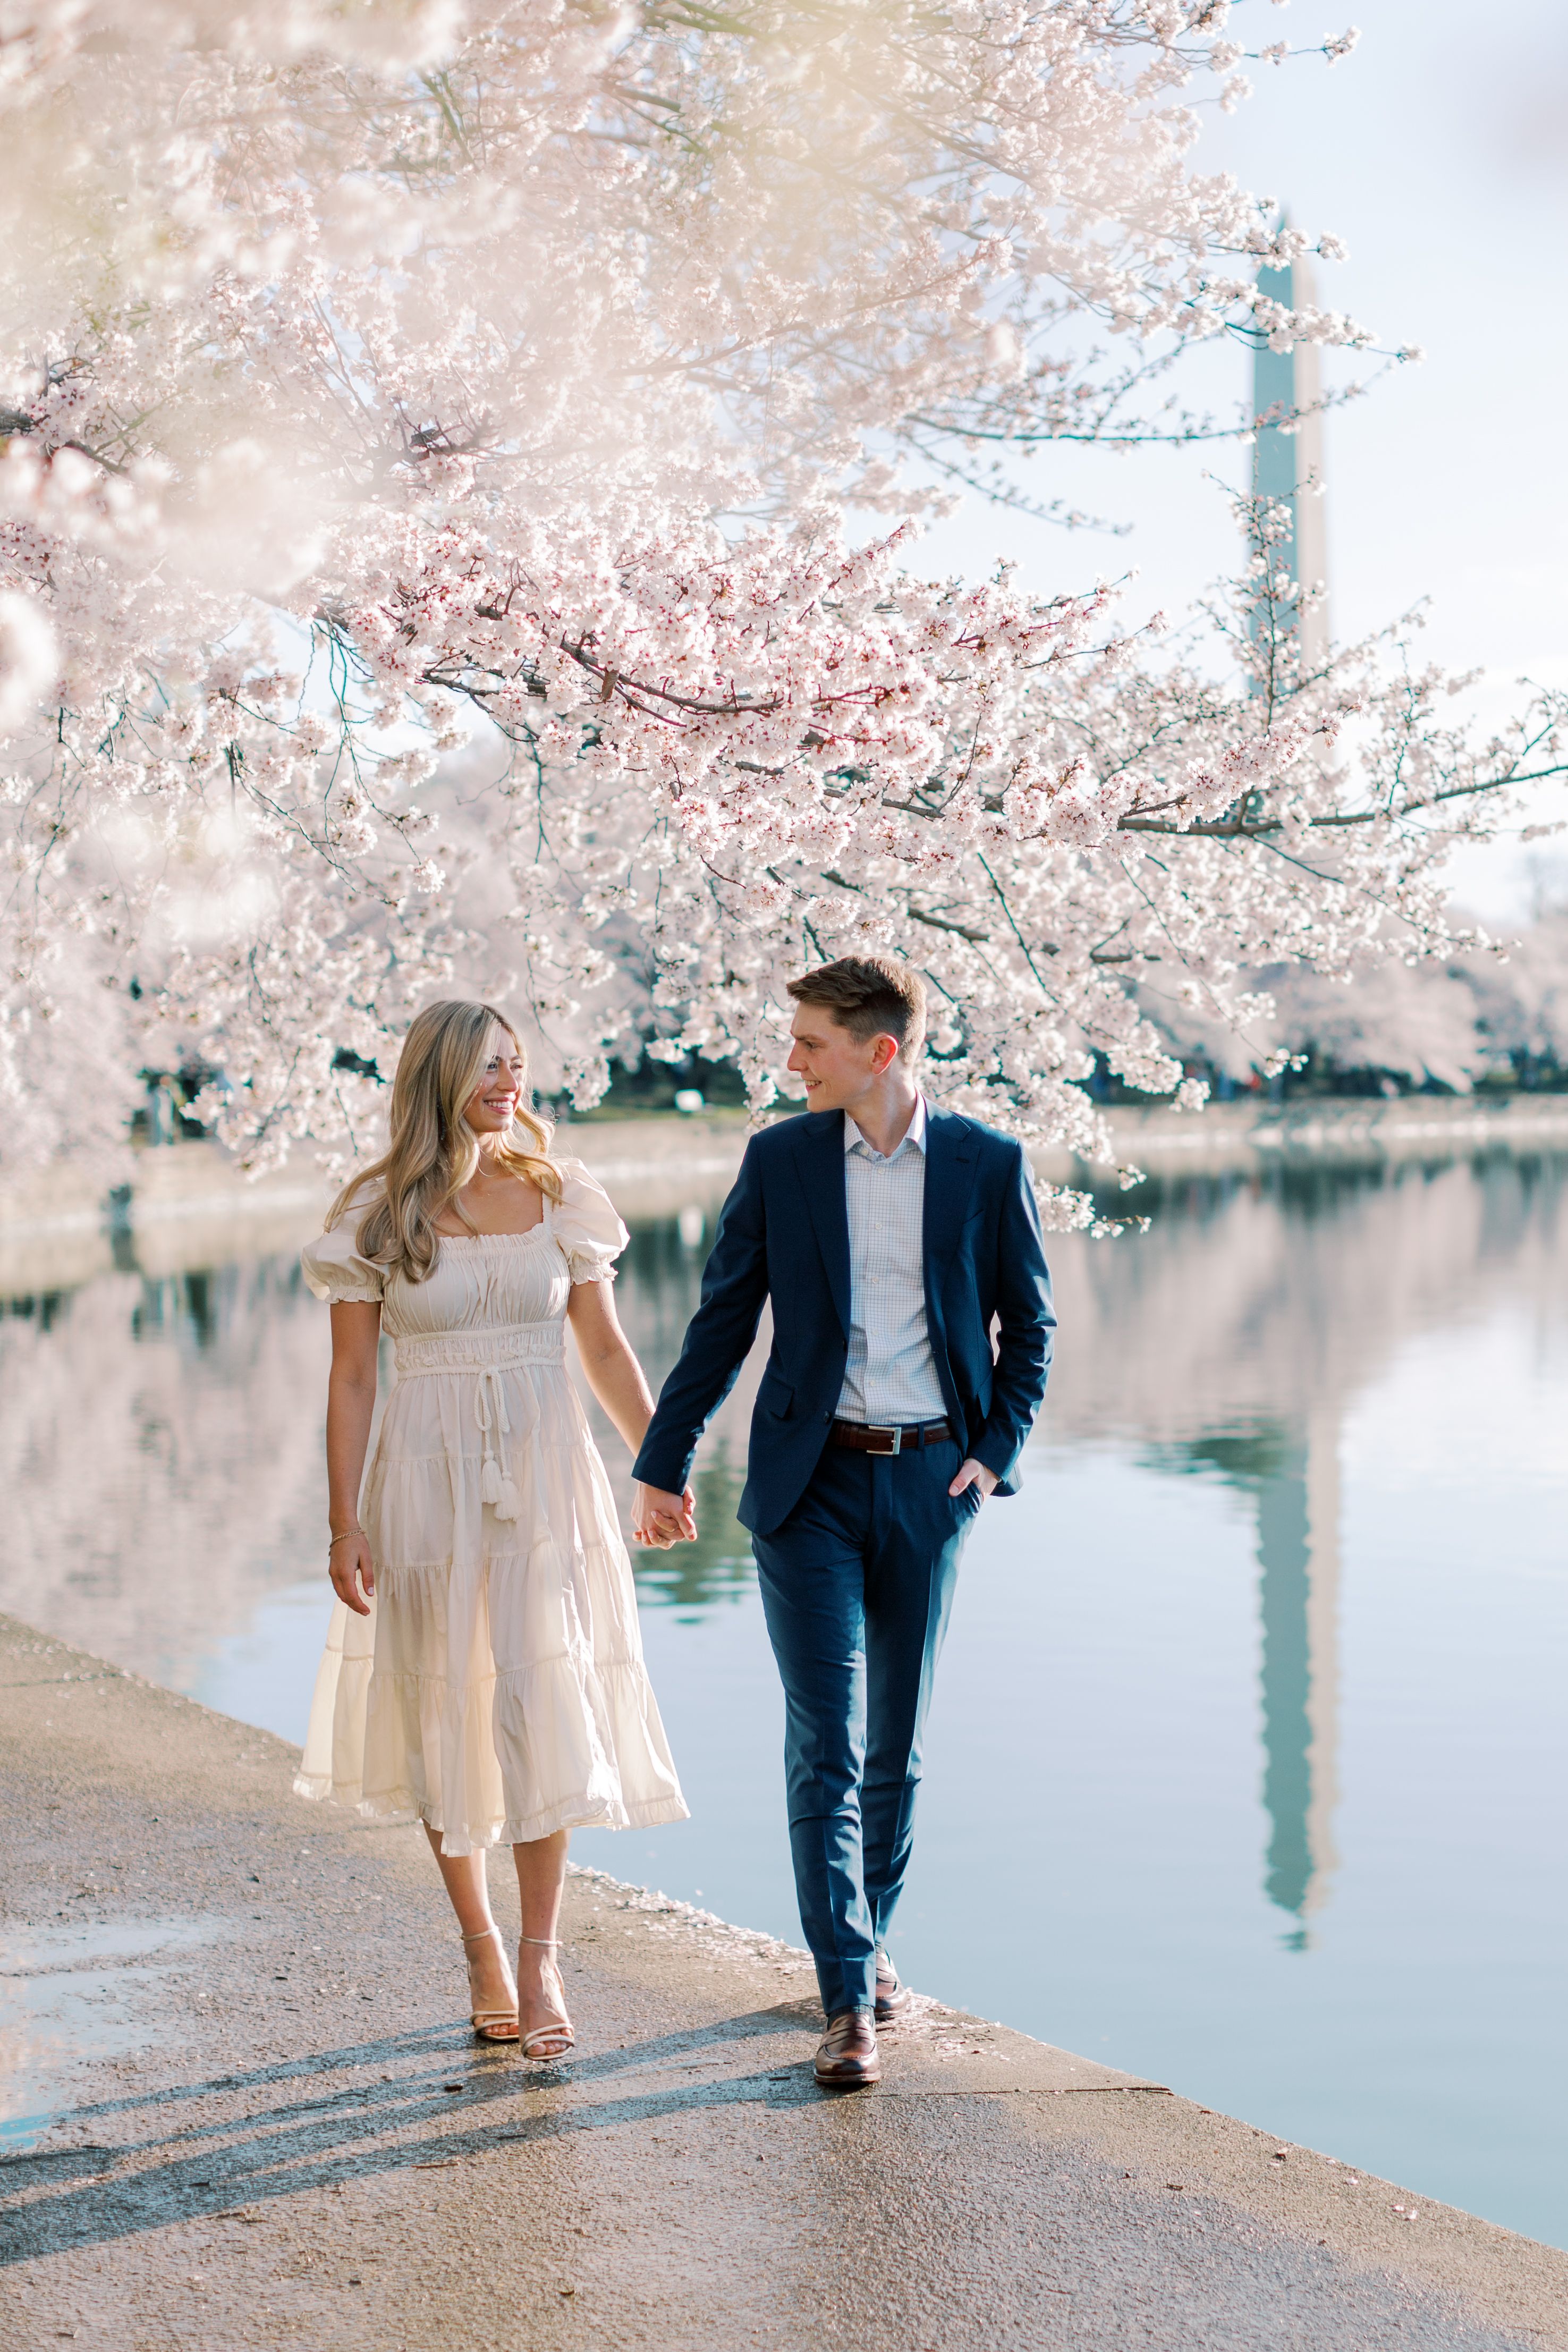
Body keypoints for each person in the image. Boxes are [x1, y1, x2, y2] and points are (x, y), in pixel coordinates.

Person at [632, 954, 1054, 2088]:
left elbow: (1033, 1332)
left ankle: (862, 1942)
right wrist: (662, 1464)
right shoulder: (780, 1159)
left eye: (809, 1041)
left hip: (930, 1485)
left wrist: (988, 1459)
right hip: (804, 1487)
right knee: (826, 1738)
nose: (790, 1060)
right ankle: (848, 1993)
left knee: (895, 1748)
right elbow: (722, 1322)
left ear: (881, 1051)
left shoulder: (985, 1163)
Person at [296, 999, 689, 2057]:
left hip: (545, 1472)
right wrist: (344, 1523)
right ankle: (478, 1939)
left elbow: (604, 1350)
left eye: (516, 1065)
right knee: (442, 1703)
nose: (508, 1084)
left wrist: (660, 1464)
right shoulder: (378, 1213)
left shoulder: (563, 1195)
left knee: (540, 1691)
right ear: (437, 1079)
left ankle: (540, 1951)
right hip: (421, 1480)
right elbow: (349, 1377)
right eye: (485, 1068)